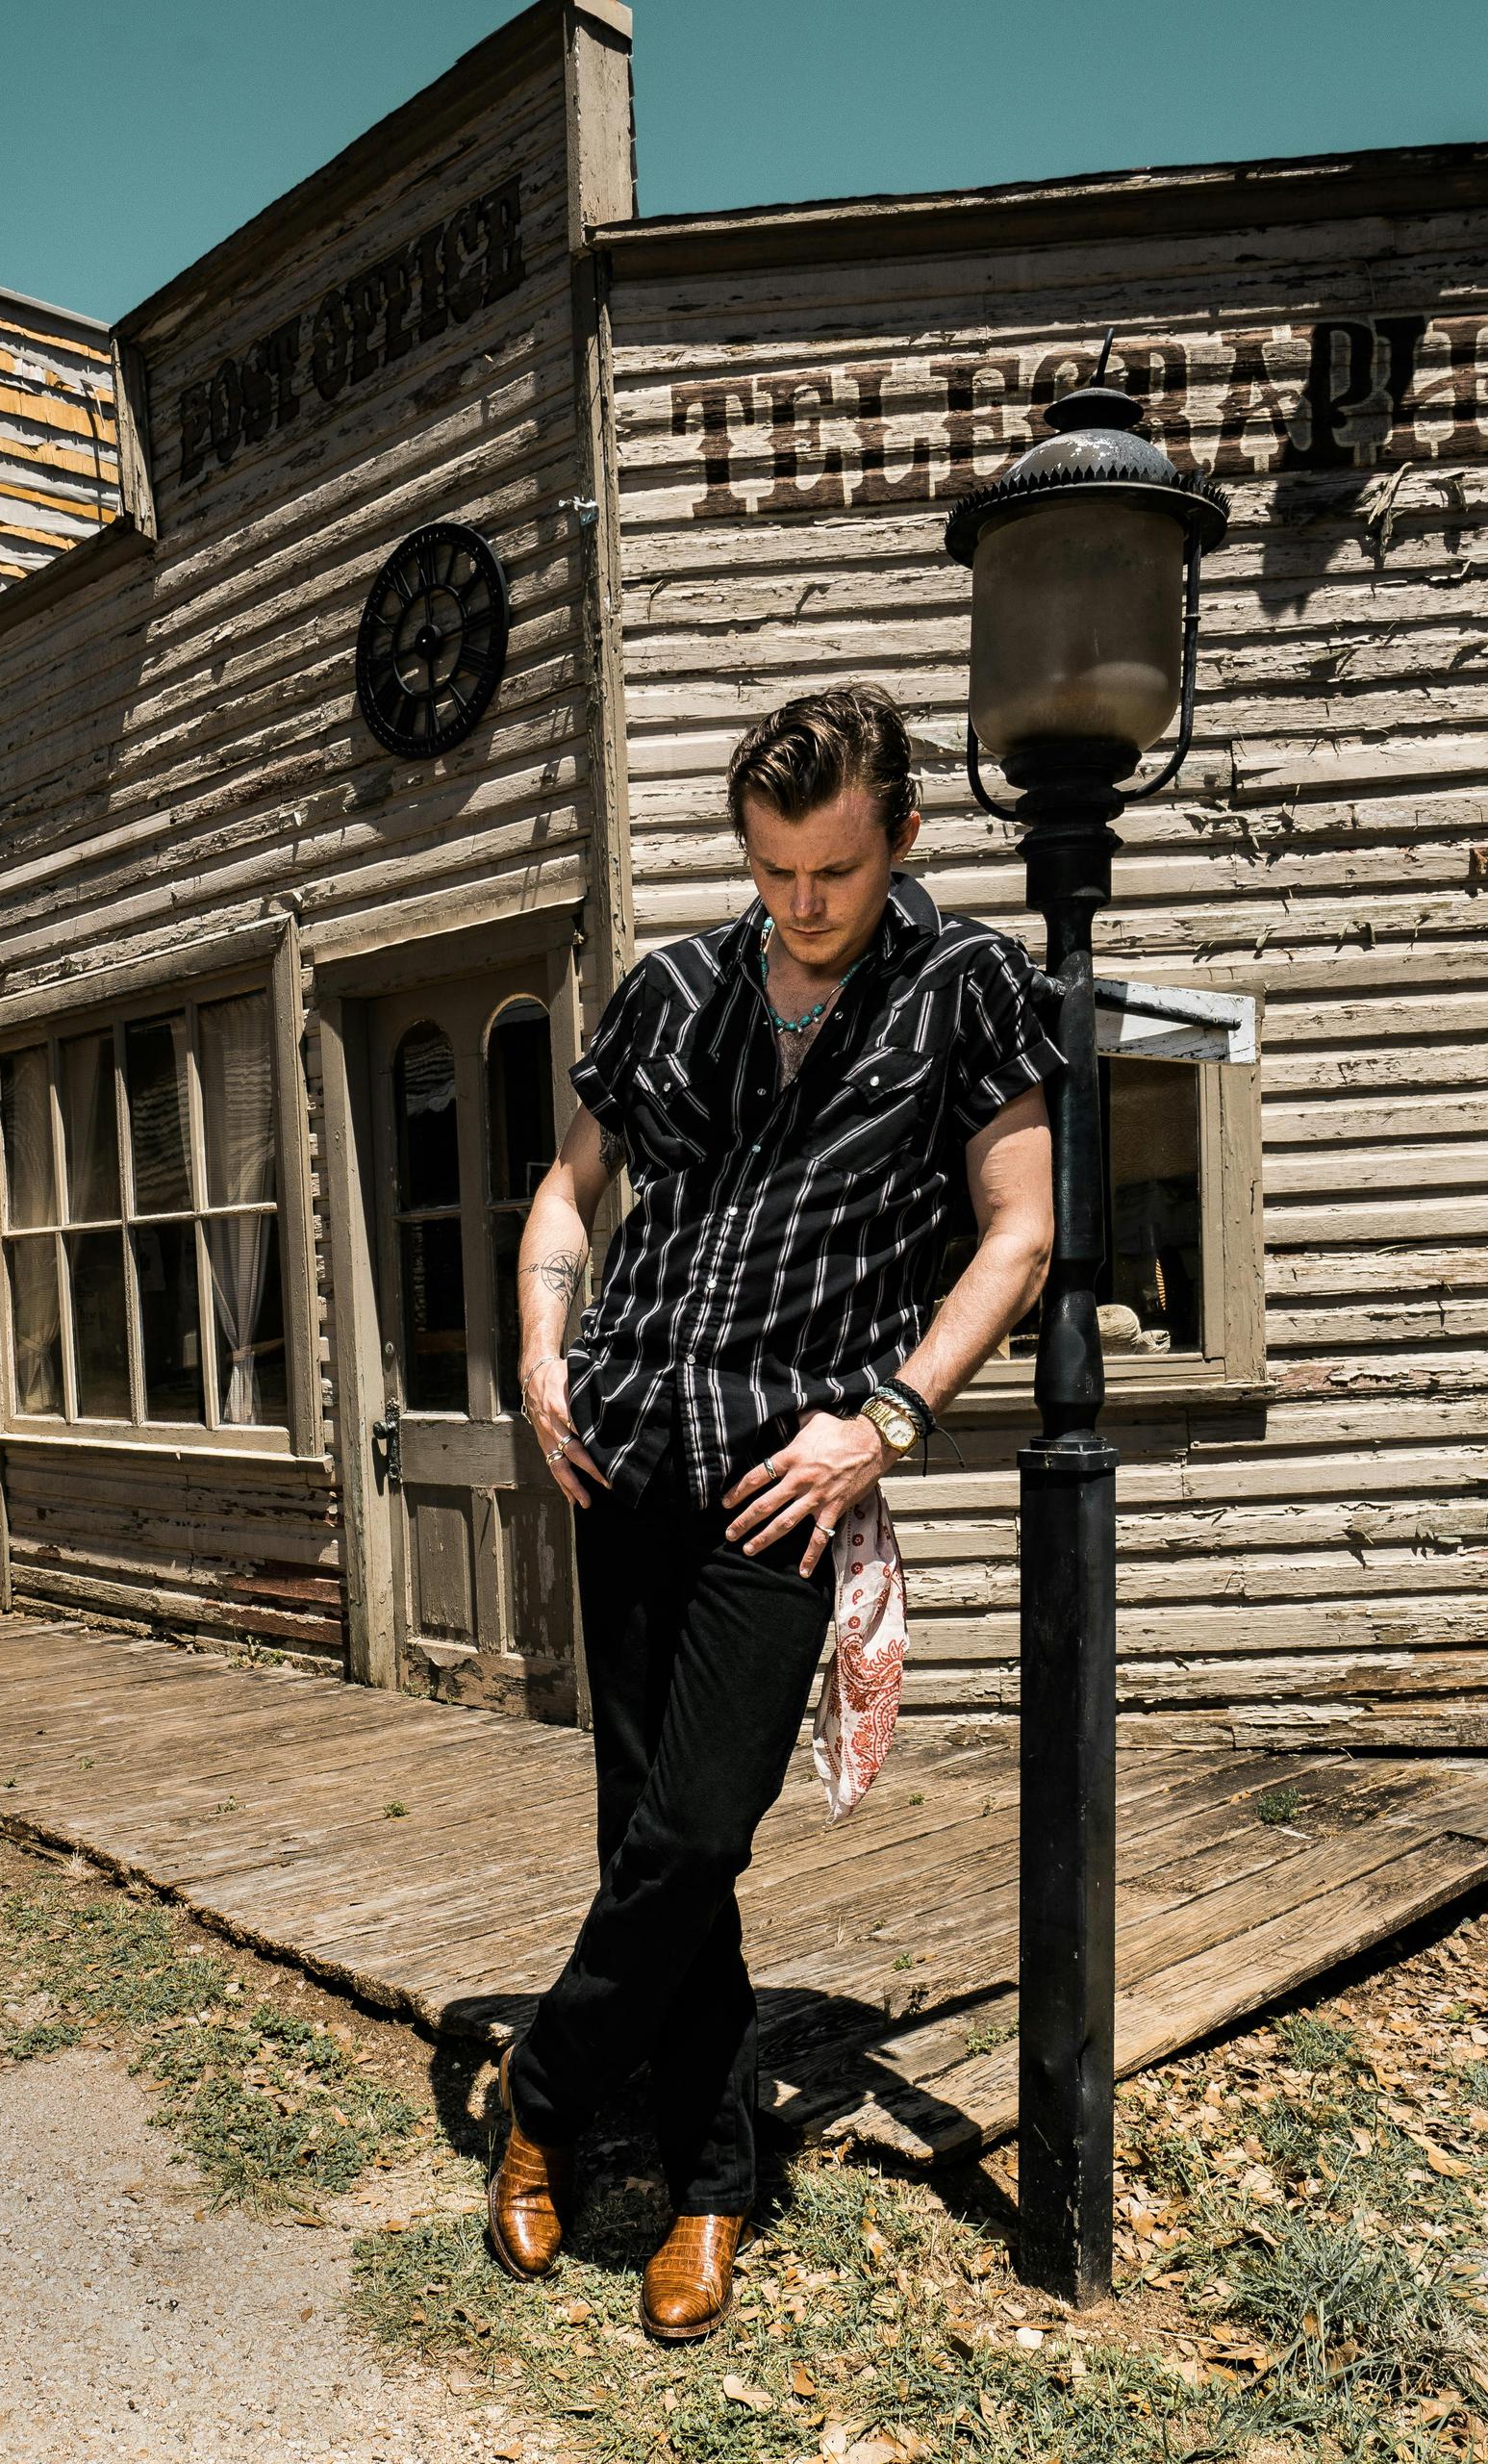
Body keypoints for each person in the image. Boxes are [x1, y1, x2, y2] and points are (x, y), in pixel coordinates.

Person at [489, 682, 1057, 2342]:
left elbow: (1015, 1234)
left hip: (779, 1477)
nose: (803, 903)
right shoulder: (672, 987)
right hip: (622, 1451)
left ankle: (539, 2087)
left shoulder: (968, 992)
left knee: (698, 1827)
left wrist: (885, 1421)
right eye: (773, 869)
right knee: (641, 1833)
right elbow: (568, 1189)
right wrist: (541, 1342)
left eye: (834, 869)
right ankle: (709, 2173)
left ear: (902, 836)